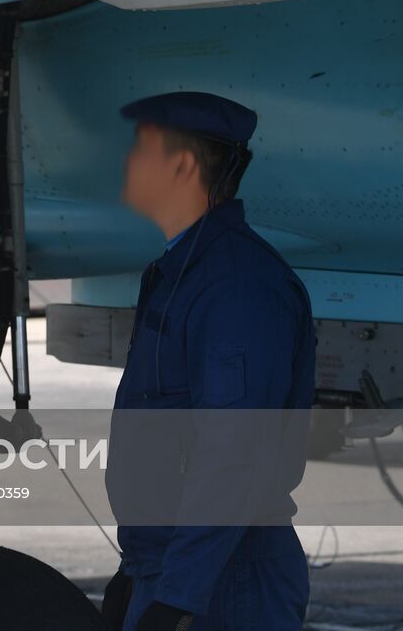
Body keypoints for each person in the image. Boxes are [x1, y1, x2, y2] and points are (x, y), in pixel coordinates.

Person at [103, 91, 315, 631]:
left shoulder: (236, 287)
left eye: (142, 150)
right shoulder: (186, 274)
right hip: (180, 568)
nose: (127, 163)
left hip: (222, 582)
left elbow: (232, 454)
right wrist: (137, 573)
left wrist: (177, 598)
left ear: (182, 165)